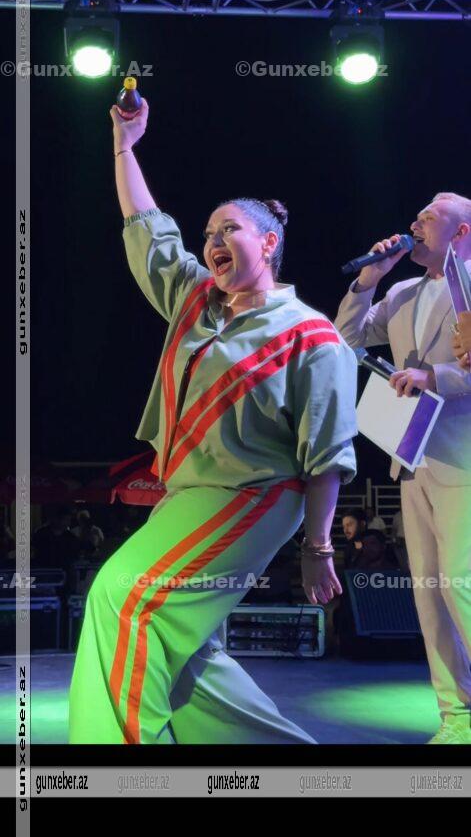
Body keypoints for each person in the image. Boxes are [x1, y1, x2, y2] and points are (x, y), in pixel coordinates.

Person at [68, 98, 358, 745]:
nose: (212, 243)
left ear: (269, 242)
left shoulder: (312, 336)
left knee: (126, 598)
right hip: (186, 494)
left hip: (254, 497)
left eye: (229, 230)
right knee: (184, 647)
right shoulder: (195, 300)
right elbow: (147, 227)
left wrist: (317, 549)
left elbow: (327, 455)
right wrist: (124, 145)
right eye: (207, 234)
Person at [335, 192, 471, 744]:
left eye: (428, 219)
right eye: (416, 216)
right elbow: (344, 340)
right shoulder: (401, 291)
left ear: (461, 233)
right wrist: (369, 279)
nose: (414, 224)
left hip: (463, 456)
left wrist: (435, 377)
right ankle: (456, 716)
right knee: (429, 593)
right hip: (411, 456)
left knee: (461, 584)